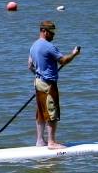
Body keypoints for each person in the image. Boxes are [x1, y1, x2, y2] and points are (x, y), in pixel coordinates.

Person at [28, 20, 80, 149]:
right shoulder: (49, 47)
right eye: (51, 32)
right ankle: (51, 142)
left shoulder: (33, 46)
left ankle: (40, 141)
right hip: (48, 84)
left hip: (38, 82)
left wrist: (40, 73)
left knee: (40, 112)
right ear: (44, 31)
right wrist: (74, 54)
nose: (53, 35)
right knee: (52, 112)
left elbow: (29, 65)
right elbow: (63, 61)